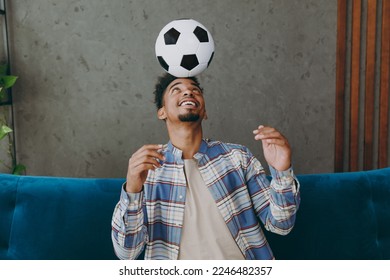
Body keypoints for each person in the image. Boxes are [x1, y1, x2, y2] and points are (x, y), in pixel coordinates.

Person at [111, 73, 300, 260]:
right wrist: (133, 190)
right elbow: (127, 253)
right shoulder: (147, 170)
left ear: (205, 111)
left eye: (195, 90)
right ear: (162, 112)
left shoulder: (237, 157)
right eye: (177, 89)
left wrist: (282, 172)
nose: (188, 93)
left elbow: (281, 224)